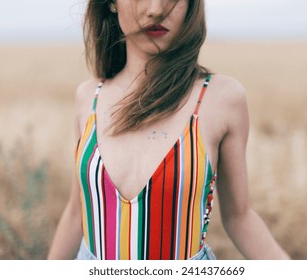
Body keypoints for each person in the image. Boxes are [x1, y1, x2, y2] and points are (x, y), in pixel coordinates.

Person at [48, 0, 290, 260]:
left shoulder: (220, 98)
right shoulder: (89, 97)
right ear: (111, 3)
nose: (156, 9)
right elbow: (77, 212)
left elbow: (239, 218)